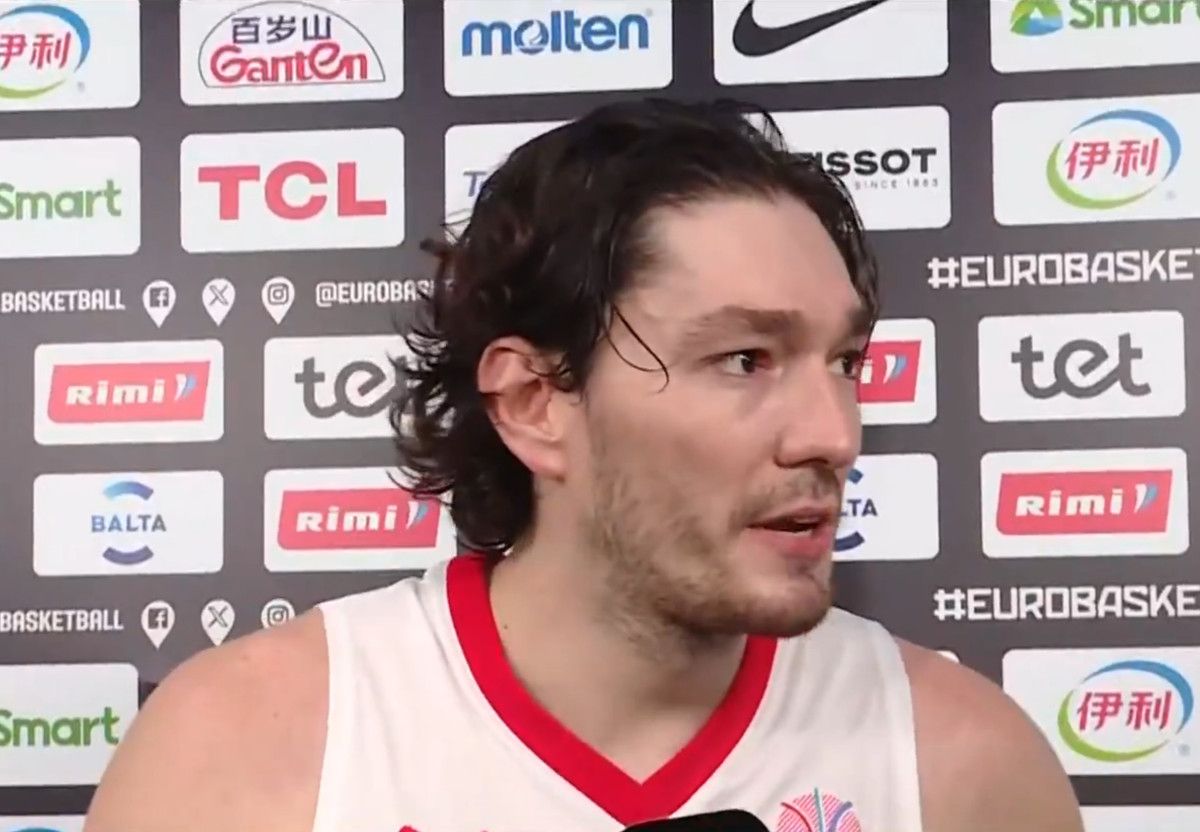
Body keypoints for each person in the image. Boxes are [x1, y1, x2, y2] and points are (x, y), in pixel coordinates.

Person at [84, 98, 1083, 832]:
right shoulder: (244, 750)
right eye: (745, 359)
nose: (835, 434)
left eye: (845, 362)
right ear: (534, 403)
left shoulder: (964, 767)